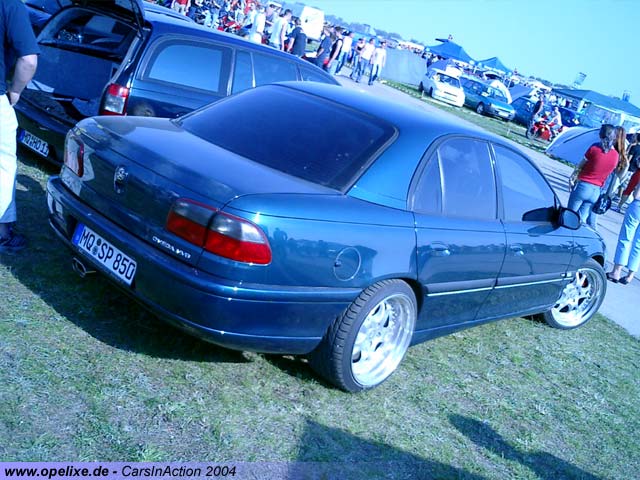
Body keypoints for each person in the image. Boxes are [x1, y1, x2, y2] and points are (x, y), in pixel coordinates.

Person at [1, 0, 39, 252]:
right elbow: (29, 61)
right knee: (3, 166)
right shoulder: (9, 5)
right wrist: (15, 92)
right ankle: (1, 234)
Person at [567, 124, 618, 229]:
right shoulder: (616, 156)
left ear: (600, 135)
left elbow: (580, 166)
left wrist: (573, 177)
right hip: (596, 191)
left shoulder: (594, 148)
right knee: (581, 220)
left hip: (583, 185)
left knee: (570, 215)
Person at [607, 172, 640, 284]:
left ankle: (616, 271)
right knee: (638, 243)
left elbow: (637, 195)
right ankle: (630, 276)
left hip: (638, 206)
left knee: (626, 237)